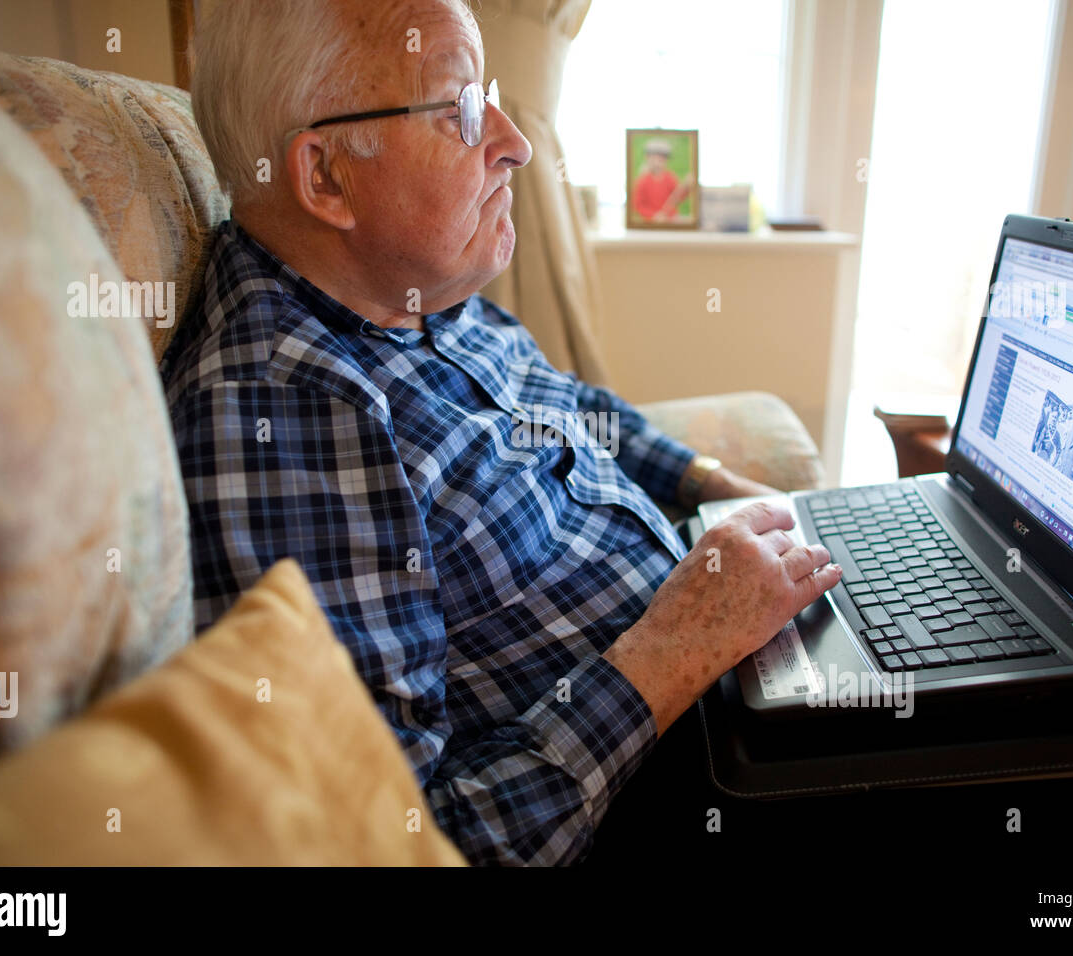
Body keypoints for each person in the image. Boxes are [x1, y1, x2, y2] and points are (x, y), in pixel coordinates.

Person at [161, 0, 841, 865]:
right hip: (684, 783)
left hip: (733, 666)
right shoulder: (287, 418)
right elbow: (402, 846)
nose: (515, 141)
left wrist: (716, 482)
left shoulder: (406, 287)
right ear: (326, 177)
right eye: (460, 111)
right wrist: (680, 645)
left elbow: (574, 407)